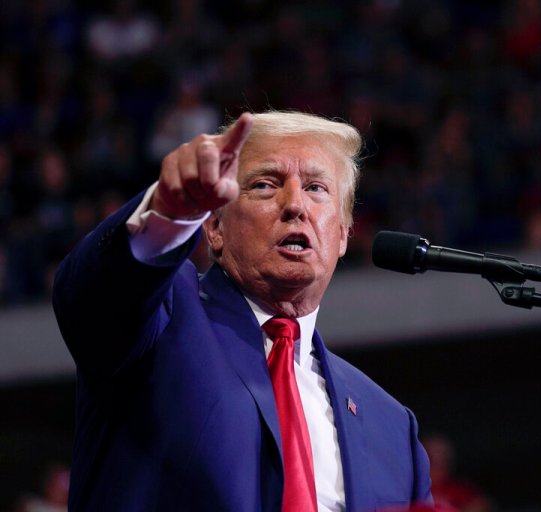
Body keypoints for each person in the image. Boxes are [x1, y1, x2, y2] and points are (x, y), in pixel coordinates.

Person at [52, 111, 432, 511]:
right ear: (214, 226)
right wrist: (166, 216)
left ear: (342, 234)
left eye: (316, 188)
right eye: (265, 185)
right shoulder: (163, 315)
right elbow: (93, 298)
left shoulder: (393, 429)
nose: (295, 205)